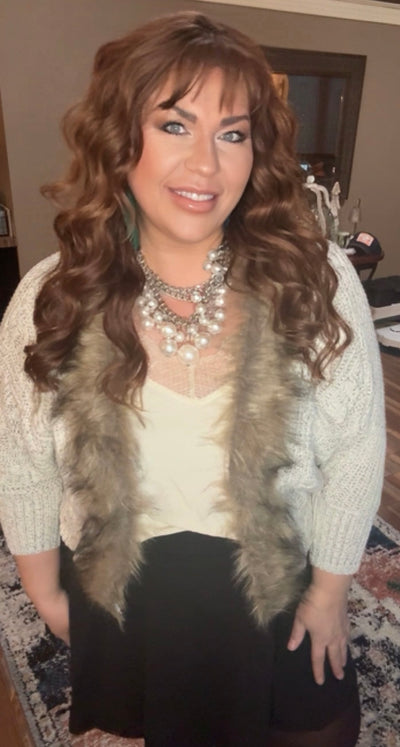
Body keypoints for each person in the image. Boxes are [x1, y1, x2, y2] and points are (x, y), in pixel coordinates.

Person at [0, 12, 385, 747]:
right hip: (127, 592)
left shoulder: (314, 275)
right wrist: (44, 592)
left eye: (232, 134)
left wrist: (332, 590)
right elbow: (21, 460)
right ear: (120, 137)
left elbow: (358, 446)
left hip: (280, 580)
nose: (207, 165)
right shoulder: (55, 295)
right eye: (175, 125)